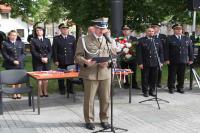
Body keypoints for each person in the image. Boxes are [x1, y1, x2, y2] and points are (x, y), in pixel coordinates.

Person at [75, 17, 116, 130]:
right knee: (89, 100)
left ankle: (104, 119)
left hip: (105, 73)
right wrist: (85, 62)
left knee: (106, 98)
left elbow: (113, 55)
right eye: (100, 28)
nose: (102, 30)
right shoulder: (84, 39)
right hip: (90, 73)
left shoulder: (108, 39)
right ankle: (89, 120)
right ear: (95, 28)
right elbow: (78, 56)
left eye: (104, 28)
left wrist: (107, 63)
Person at [165, 24, 194, 94]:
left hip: (183, 60)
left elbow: (190, 50)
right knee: (172, 75)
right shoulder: (169, 38)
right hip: (172, 60)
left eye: (180, 29)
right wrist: (167, 59)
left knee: (181, 75)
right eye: (177, 29)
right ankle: (171, 87)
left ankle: (180, 87)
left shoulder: (186, 38)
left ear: (182, 30)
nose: (178, 30)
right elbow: (166, 50)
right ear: (174, 30)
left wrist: (191, 59)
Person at [136, 27, 164, 97]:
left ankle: (152, 90)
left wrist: (161, 62)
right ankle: (145, 91)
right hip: (145, 62)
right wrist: (140, 63)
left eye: (152, 31)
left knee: (154, 78)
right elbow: (139, 53)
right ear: (146, 32)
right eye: (149, 31)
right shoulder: (141, 40)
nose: (151, 32)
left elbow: (161, 52)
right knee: (145, 78)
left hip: (155, 62)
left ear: (154, 32)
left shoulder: (157, 40)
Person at [52, 23, 76, 95]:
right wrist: (55, 60)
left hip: (70, 60)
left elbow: (74, 49)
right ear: (61, 30)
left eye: (66, 29)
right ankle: (62, 89)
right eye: (63, 29)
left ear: (68, 30)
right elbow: (54, 50)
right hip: (60, 60)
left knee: (70, 76)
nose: (65, 30)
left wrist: (75, 59)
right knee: (61, 76)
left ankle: (70, 89)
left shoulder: (72, 38)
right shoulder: (56, 39)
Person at [1, 30, 26, 99]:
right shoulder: (4, 43)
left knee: (19, 79)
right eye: (12, 35)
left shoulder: (21, 43)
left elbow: (24, 53)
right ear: (8, 36)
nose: (14, 37)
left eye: (15, 35)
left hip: (20, 63)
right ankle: (13, 93)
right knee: (12, 79)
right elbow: (4, 54)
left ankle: (18, 92)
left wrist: (19, 60)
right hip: (10, 64)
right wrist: (13, 61)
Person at [30, 26, 52, 97]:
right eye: (37, 31)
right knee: (39, 76)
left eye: (40, 30)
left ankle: (45, 90)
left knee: (46, 76)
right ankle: (40, 91)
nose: (39, 32)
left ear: (43, 31)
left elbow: (50, 51)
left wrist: (47, 58)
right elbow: (33, 51)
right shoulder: (33, 40)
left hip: (47, 61)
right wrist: (41, 58)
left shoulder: (47, 40)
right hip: (37, 61)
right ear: (35, 32)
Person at [120, 25, 140, 89]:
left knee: (133, 72)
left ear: (130, 31)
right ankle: (126, 84)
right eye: (124, 30)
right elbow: (118, 48)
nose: (125, 31)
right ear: (122, 31)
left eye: (127, 30)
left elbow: (137, 49)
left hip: (132, 58)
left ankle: (134, 84)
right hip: (123, 58)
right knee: (125, 72)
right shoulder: (120, 39)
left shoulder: (134, 38)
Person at [151, 23, 167, 88]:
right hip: (151, 56)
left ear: (159, 28)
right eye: (153, 28)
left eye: (156, 27)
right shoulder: (150, 35)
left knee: (159, 70)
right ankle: (151, 82)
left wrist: (163, 59)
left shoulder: (163, 36)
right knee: (151, 70)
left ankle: (158, 82)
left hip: (160, 56)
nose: (155, 29)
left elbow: (165, 47)